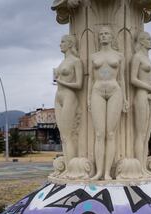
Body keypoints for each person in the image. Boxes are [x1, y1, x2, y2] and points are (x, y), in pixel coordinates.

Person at [88, 26, 128, 180]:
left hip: (115, 91)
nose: (103, 36)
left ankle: (106, 172)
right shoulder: (94, 56)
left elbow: (121, 78)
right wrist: (87, 98)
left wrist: (124, 98)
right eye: (101, 34)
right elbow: (90, 79)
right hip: (97, 90)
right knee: (99, 133)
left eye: (106, 34)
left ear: (112, 37)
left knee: (110, 134)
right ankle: (99, 172)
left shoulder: (119, 55)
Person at [130, 31, 151, 175]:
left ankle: (143, 165)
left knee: (147, 135)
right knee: (140, 134)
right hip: (141, 95)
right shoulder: (137, 57)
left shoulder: (148, 59)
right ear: (141, 41)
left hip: (150, 97)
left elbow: (147, 78)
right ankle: (139, 167)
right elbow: (133, 79)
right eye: (148, 39)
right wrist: (150, 88)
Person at [54, 35, 83, 166]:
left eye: (63, 42)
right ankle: (67, 166)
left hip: (69, 96)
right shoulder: (63, 62)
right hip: (58, 96)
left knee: (68, 134)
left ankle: (72, 167)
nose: (60, 44)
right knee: (63, 136)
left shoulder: (75, 61)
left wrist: (60, 81)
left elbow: (79, 84)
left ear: (70, 44)